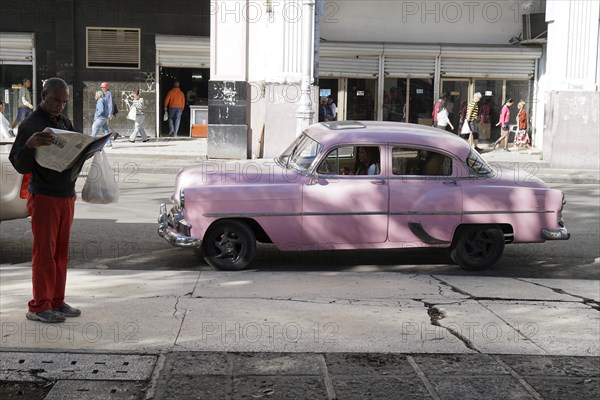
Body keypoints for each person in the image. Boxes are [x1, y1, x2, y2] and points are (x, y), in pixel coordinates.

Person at [9, 77, 83, 323]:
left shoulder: (62, 120)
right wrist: (29, 146)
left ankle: (57, 301)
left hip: (65, 194)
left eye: (63, 102)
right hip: (44, 196)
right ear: (43, 96)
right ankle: (39, 306)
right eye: (55, 101)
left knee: (60, 252)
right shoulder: (31, 124)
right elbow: (19, 164)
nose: (59, 106)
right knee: (44, 253)